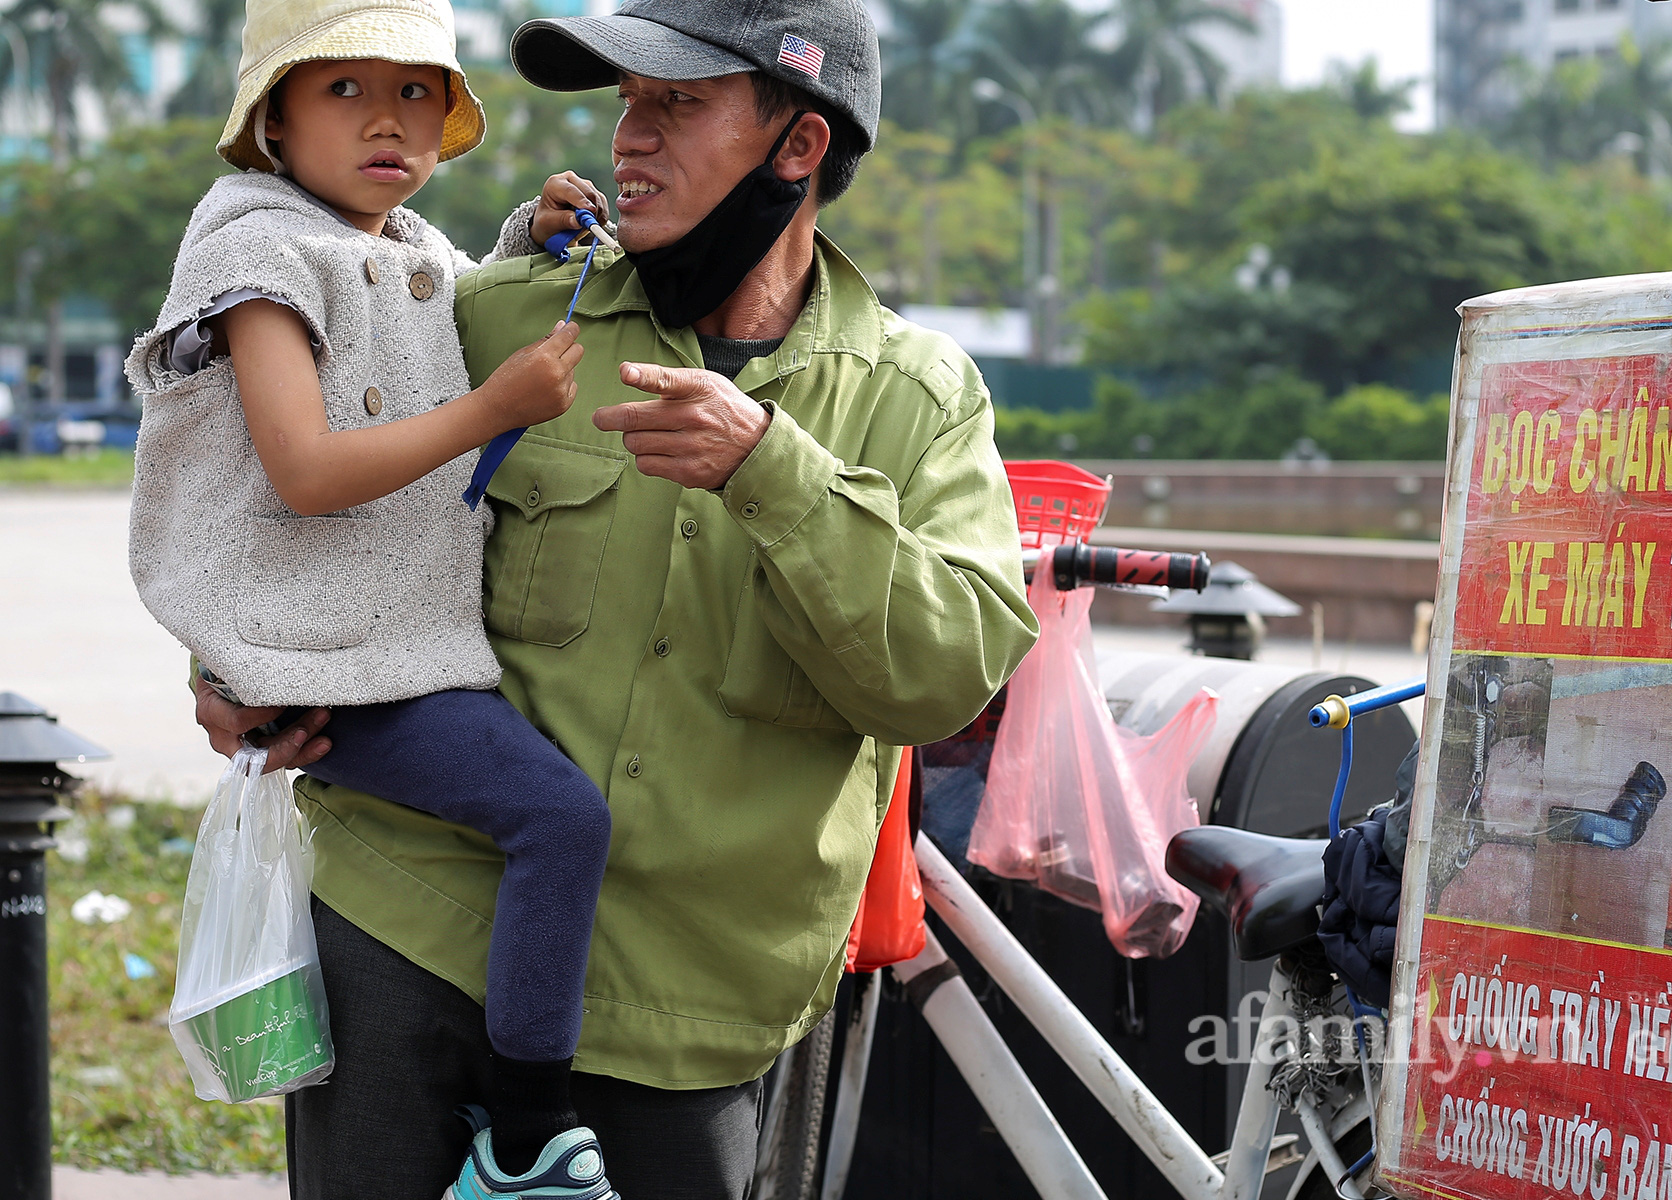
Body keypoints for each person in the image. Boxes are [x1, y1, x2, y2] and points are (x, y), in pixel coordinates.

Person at [193, 1, 1039, 1197]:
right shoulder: (501, 316)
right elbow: (274, 485)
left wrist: (772, 471)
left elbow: (942, 683)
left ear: (798, 147)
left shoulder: (919, 398)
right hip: (415, 938)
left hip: (685, 1009)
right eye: (626, 103)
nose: (628, 138)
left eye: (678, 106)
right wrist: (234, 667)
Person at [127, 0, 634, 1194]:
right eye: (344, 90)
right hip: (323, 654)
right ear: (274, 120)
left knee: (550, 819)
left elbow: (437, 307)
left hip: (365, 636)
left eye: (416, 92)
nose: (389, 121)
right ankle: (524, 1139)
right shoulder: (253, 253)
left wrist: (531, 232)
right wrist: (492, 411)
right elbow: (304, 470)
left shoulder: (391, 236)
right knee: (559, 820)